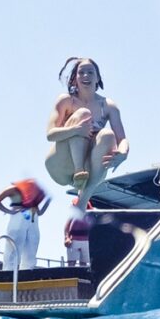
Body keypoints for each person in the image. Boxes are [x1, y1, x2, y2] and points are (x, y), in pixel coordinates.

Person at [45, 57, 129, 211]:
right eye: (81, 72)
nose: (86, 76)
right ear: (74, 79)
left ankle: (82, 203)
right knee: (83, 113)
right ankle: (79, 172)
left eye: (90, 72)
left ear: (97, 78)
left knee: (107, 135)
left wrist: (123, 153)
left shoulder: (108, 106)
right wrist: (76, 130)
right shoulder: (66, 100)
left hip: (90, 169)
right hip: (61, 165)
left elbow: (122, 139)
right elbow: (50, 135)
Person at [0, 179, 51, 270]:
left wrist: (48, 202)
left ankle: (27, 271)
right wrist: (8, 211)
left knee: (32, 247)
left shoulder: (32, 196)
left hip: (33, 219)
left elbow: (40, 212)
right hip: (20, 215)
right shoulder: (13, 188)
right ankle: (8, 271)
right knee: (14, 246)